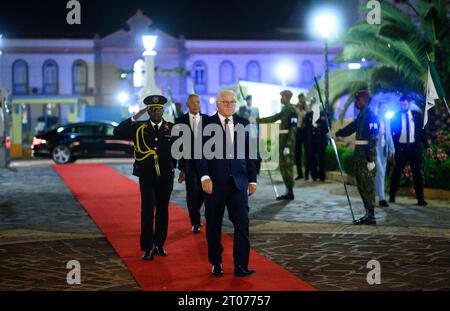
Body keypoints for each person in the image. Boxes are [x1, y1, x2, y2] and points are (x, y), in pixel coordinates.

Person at [196, 90, 257, 277]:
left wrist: (252, 178)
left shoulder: (243, 124)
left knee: (242, 224)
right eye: (225, 102)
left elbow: (250, 153)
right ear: (217, 104)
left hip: (238, 184)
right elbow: (199, 154)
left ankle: (240, 266)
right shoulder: (205, 124)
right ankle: (216, 262)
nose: (229, 105)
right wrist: (204, 177)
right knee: (213, 226)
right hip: (214, 184)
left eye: (232, 102)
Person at [114, 95, 175, 260]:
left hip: (165, 176)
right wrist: (136, 116)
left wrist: (181, 169)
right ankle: (147, 247)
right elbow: (117, 131)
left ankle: (159, 245)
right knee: (147, 211)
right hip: (147, 176)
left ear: (163, 110)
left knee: (163, 211)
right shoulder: (139, 127)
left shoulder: (171, 128)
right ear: (148, 111)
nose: (157, 112)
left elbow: (179, 150)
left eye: (159, 109)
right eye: (153, 109)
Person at [335, 90, 379, 225]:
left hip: (366, 157)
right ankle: (367, 213)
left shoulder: (371, 116)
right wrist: (338, 133)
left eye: (358, 99)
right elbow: (352, 127)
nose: (356, 102)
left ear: (364, 100)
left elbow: (373, 139)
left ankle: (371, 215)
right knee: (361, 185)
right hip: (360, 156)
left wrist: (371, 160)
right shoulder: (362, 116)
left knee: (367, 186)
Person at [389, 95, 430, 206]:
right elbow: (392, 134)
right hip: (401, 147)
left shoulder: (416, 116)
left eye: (405, 104)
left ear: (409, 104)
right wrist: (393, 148)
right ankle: (392, 196)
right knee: (397, 172)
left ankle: (420, 199)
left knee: (417, 173)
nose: (403, 106)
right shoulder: (395, 117)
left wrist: (427, 146)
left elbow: (422, 132)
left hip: (414, 148)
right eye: (401, 104)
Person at [175, 94, 207, 233]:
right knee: (192, 192)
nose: (196, 105)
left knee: (203, 192)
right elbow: (177, 145)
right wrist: (181, 168)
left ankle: (195, 211)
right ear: (188, 104)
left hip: (206, 162)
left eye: (198, 102)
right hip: (189, 163)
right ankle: (195, 221)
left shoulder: (208, 120)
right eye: (193, 102)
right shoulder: (180, 121)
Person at [257, 90, 298, 200]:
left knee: (287, 167)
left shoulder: (292, 110)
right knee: (283, 166)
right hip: (283, 141)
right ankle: (288, 191)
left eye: (282, 97)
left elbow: (293, 129)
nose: (281, 99)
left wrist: (288, 146)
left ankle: (290, 191)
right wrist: (258, 120)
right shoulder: (285, 109)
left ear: (287, 97)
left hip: (287, 143)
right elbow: (274, 118)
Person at [375, 101, 395, 207]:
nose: (384, 110)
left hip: (384, 149)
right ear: (379, 109)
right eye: (383, 108)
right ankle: (382, 198)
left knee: (381, 174)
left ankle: (378, 195)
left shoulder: (387, 121)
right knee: (381, 173)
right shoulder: (374, 120)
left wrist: (392, 148)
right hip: (375, 149)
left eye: (386, 109)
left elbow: (389, 135)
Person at [304, 100, 329, 181]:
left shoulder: (323, 114)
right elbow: (306, 128)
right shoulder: (308, 115)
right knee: (312, 158)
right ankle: (314, 175)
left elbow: (327, 127)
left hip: (321, 140)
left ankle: (322, 176)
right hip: (311, 140)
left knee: (322, 158)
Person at [237, 95, 261, 174]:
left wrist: (259, 133)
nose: (249, 101)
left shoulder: (256, 109)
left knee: (253, 152)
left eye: (250, 100)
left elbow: (258, 121)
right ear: (246, 100)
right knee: (245, 151)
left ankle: (254, 169)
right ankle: (245, 169)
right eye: (248, 100)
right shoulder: (242, 109)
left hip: (254, 132)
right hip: (245, 132)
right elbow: (239, 120)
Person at [294, 94, 307, 180]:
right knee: (297, 153)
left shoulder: (307, 107)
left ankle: (307, 173)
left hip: (305, 132)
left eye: (302, 98)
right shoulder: (296, 107)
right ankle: (300, 174)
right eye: (300, 99)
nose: (301, 100)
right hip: (297, 131)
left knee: (307, 153)